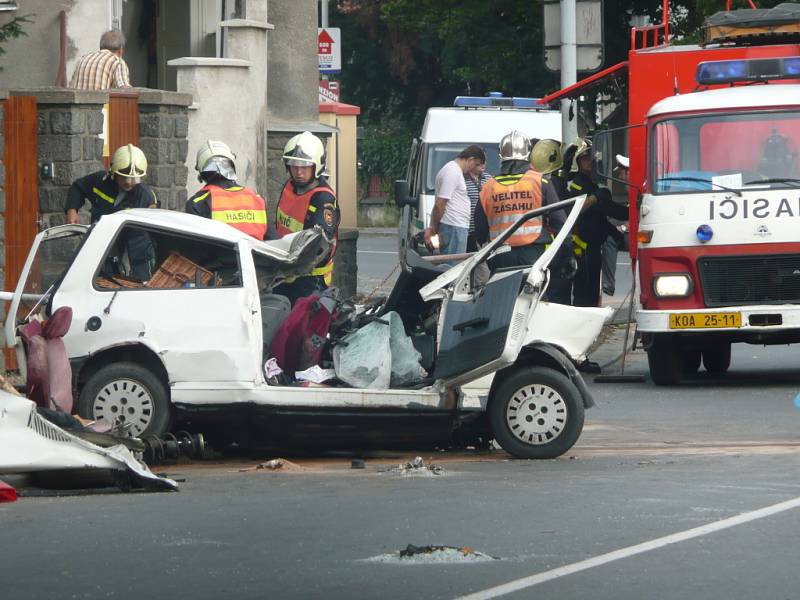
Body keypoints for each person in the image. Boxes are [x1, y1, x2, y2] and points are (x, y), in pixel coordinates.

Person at [474, 130, 565, 270]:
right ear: (528, 155)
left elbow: (480, 230)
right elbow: (560, 223)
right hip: (533, 254)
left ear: (501, 156)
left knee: (503, 292)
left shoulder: (488, 187)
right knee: (533, 291)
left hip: (500, 256)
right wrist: (567, 256)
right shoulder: (540, 182)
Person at [65, 144, 156, 279]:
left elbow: (149, 234)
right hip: (101, 249)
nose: (128, 182)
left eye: (134, 178)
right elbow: (78, 188)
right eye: (123, 176)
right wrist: (72, 210)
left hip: (136, 257)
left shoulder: (145, 196)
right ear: (113, 172)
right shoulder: (100, 182)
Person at [273, 131, 340, 305]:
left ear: (316, 166)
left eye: (305, 166)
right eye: (294, 166)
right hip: (284, 275)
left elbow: (320, 245)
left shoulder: (323, 199)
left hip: (310, 282)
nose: (298, 172)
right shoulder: (289, 187)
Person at [564, 139, 628, 308]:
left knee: (592, 290)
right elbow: (575, 210)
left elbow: (608, 210)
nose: (591, 161)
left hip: (592, 248)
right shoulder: (575, 185)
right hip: (581, 249)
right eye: (585, 158)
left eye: (591, 157)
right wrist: (596, 197)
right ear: (576, 162)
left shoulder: (591, 184)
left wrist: (632, 212)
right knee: (583, 292)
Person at [186, 140, 268, 240]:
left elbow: (195, 246)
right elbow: (272, 241)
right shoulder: (256, 199)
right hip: (256, 255)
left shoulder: (197, 202)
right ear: (231, 165)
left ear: (202, 172)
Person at [424, 145, 486, 257]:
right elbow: (440, 203)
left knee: (455, 267)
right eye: (476, 164)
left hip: (455, 227)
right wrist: (433, 229)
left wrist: (432, 227)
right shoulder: (452, 172)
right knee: (453, 268)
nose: (474, 168)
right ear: (470, 159)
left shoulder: (454, 171)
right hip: (454, 228)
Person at [601, 154, 630, 296]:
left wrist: (623, 228)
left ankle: (608, 284)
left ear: (629, 171)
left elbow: (638, 214)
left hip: (639, 235)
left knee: (609, 240)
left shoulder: (637, 187)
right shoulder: (633, 187)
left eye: (621, 172)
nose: (620, 176)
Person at [465, 151, 491, 252]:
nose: (483, 164)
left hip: (485, 231)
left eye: (485, 161)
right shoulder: (462, 180)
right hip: (468, 231)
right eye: (481, 161)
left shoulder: (489, 179)